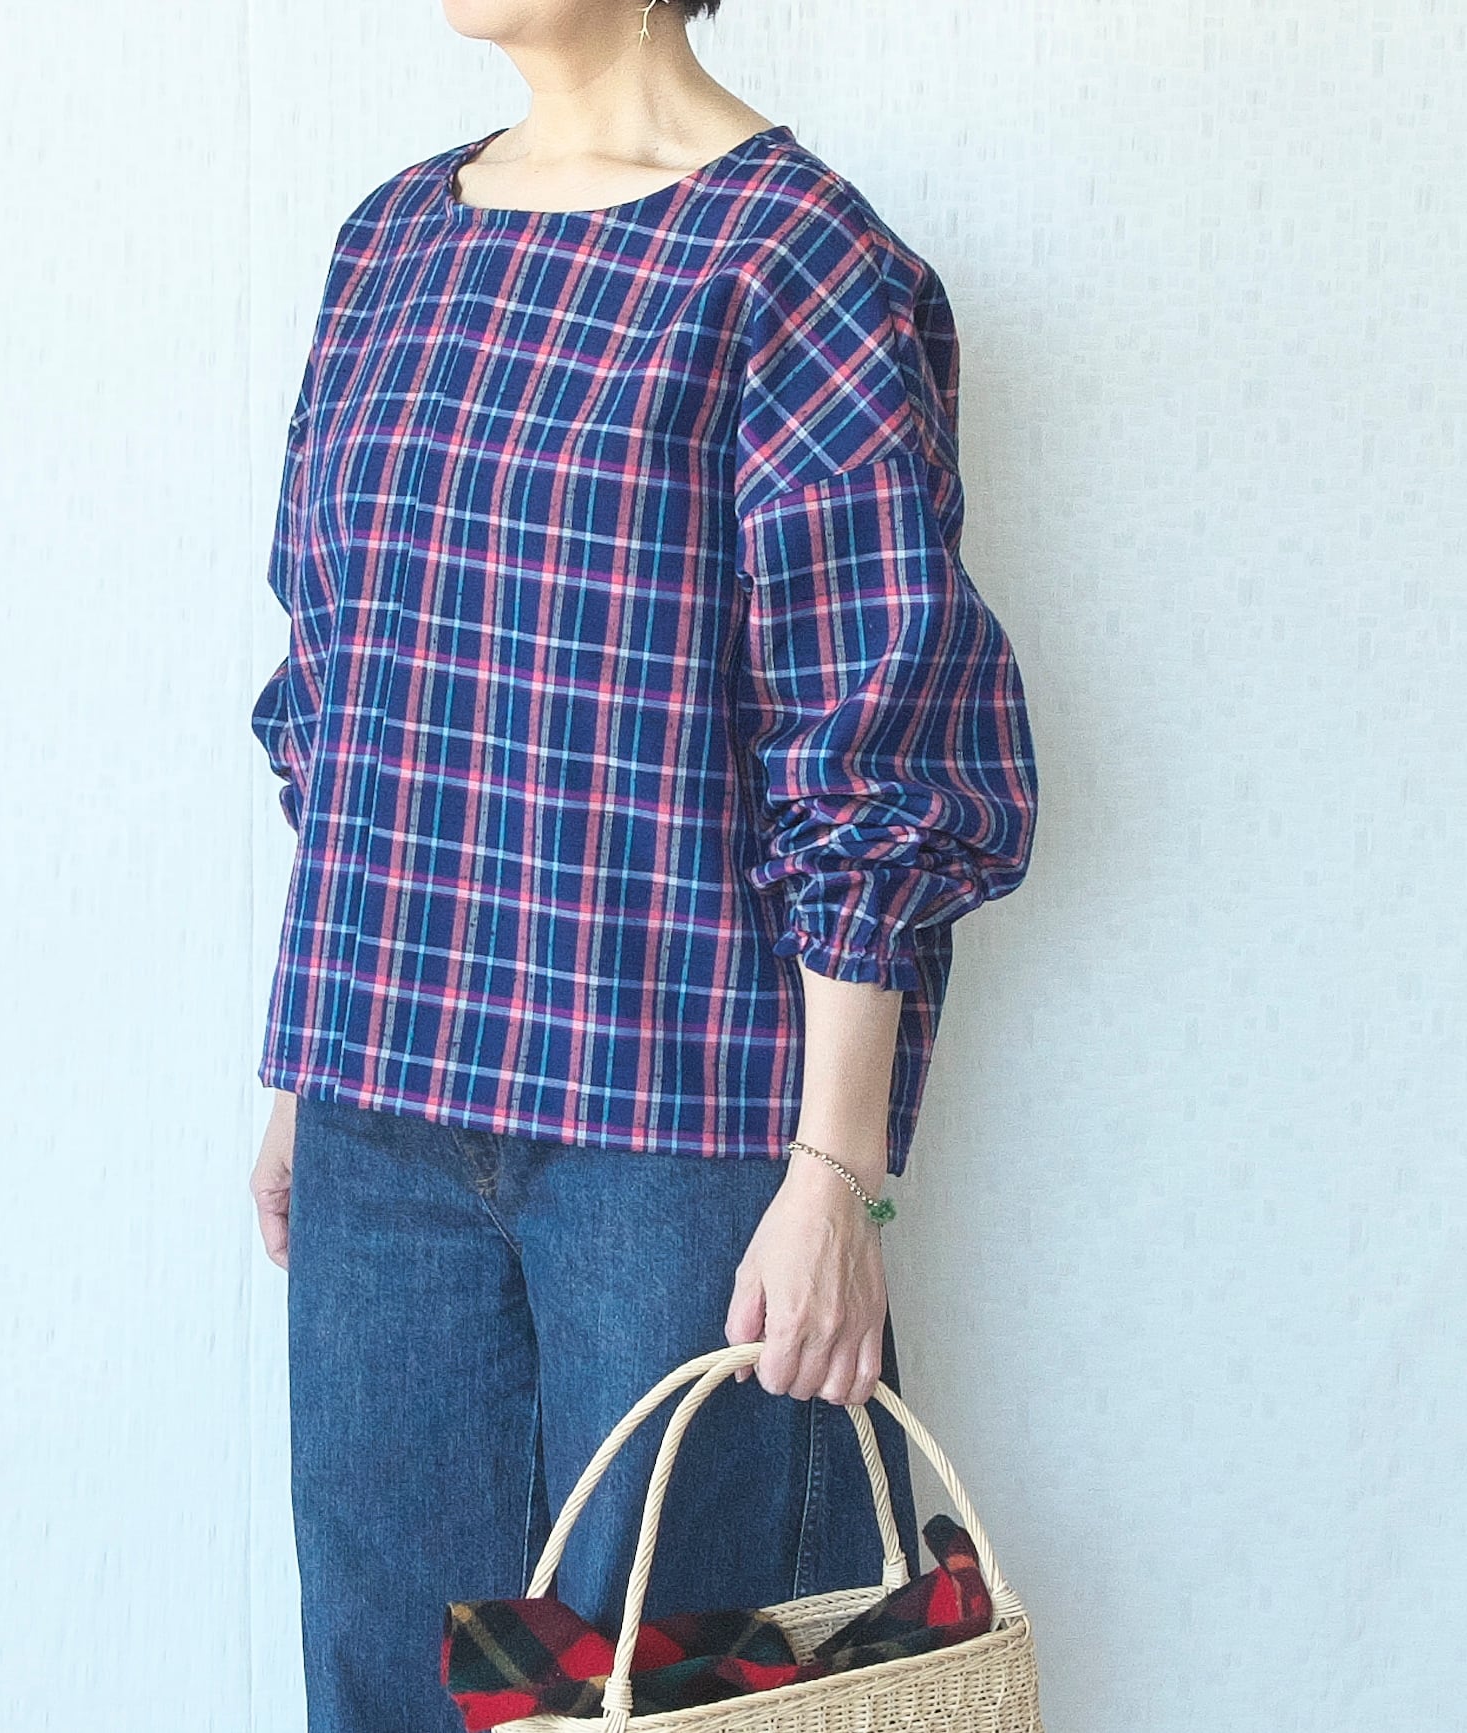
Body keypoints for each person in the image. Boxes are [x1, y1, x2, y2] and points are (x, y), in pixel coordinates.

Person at [244, 5, 1039, 1730]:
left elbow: (869, 728)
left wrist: (836, 1177)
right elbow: (343, 677)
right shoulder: (389, 239)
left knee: (672, 1696)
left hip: (671, 1138)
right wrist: (309, 1071)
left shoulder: (794, 256)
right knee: (385, 1682)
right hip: (379, 1104)